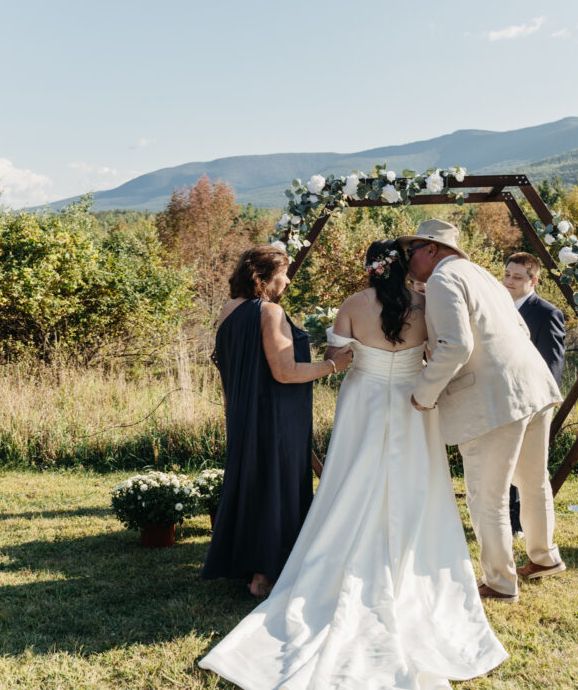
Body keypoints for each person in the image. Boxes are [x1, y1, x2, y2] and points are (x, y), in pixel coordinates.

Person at [199, 240, 507, 689]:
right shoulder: (424, 305)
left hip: (363, 402)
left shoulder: (351, 305)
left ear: (369, 268)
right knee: (414, 484)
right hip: (413, 403)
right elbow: (442, 350)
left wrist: (356, 356)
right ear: (402, 268)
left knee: (350, 480)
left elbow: (340, 355)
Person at [400, 219, 566, 604]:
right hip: (533, 385)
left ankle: (500, 582)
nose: (409, 259)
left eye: (412, 251)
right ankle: (544, 558)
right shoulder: (483, 276)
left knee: (487, 495)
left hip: (494, 398)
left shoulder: (443, 280)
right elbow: (521, 330)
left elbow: (454, 346)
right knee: (533, 480)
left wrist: (424, 393)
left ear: (432, 249)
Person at [201, 245, 353, 598]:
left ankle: (247, 566)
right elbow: (285, 372)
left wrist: (233, 409)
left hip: (243, 414)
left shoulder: (229, 309)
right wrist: (333, 366)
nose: (287, 280)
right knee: (277, 488)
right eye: (283, 273)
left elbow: (225, 364)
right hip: (275, 417)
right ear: (265, 278)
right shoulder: (269, 313)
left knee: (252, 485)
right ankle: (264, 577)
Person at [501, 252, 567, 537]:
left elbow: (552, 363)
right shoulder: (497, 306)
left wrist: (538, 403)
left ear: (534, 280)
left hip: (530, 400)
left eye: (517, 277)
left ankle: (519, 524)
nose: (509, 281)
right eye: (506, 274)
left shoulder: (547, 313)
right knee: (502, 461)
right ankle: (504, 519)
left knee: (525, 466)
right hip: (498, 395)